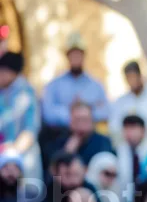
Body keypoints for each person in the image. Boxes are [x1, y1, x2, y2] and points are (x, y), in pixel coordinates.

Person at [41, 32, 109, 129]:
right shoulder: (54, 85)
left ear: (84, 55)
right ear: (67, 56)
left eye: (78, 54)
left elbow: (105, 111)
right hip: (63, 134)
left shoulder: (96, 85)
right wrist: (72, 114)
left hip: (90, 136)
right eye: (72, 54)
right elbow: (48, 113)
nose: (76, 57)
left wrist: (86, 113)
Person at [0, 51, 41, 179]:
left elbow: (30, 130)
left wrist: (11, 153)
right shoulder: (2, 92)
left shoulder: (26, 93)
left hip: (23, 156)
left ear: (11, 73)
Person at [50, 102, 114, 166]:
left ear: (92, 121)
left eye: (85, 120)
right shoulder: (59, 141)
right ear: (70, 122)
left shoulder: (103, 142)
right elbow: (54, 174)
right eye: (77, 120)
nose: (81, 125)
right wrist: (67, 153)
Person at [115, 115, 147, 202]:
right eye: (126, 128)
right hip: (125, 199)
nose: (129, 133)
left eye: (133, 128)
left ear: (143, 131)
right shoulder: (118, 151)